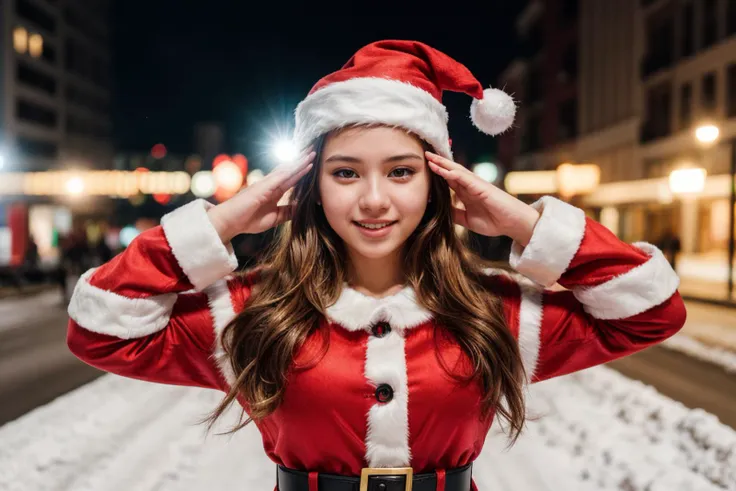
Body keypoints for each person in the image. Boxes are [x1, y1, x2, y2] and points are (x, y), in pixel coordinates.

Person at [66, 41, 686, 491]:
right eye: (345, 173)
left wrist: (525, 222)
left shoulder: (494, 310)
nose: (373, 199)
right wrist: (223, 222)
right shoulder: (253, 312)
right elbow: (99, 328)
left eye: (400, 171)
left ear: (437, 182)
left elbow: (652, 309)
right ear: (311, 185)